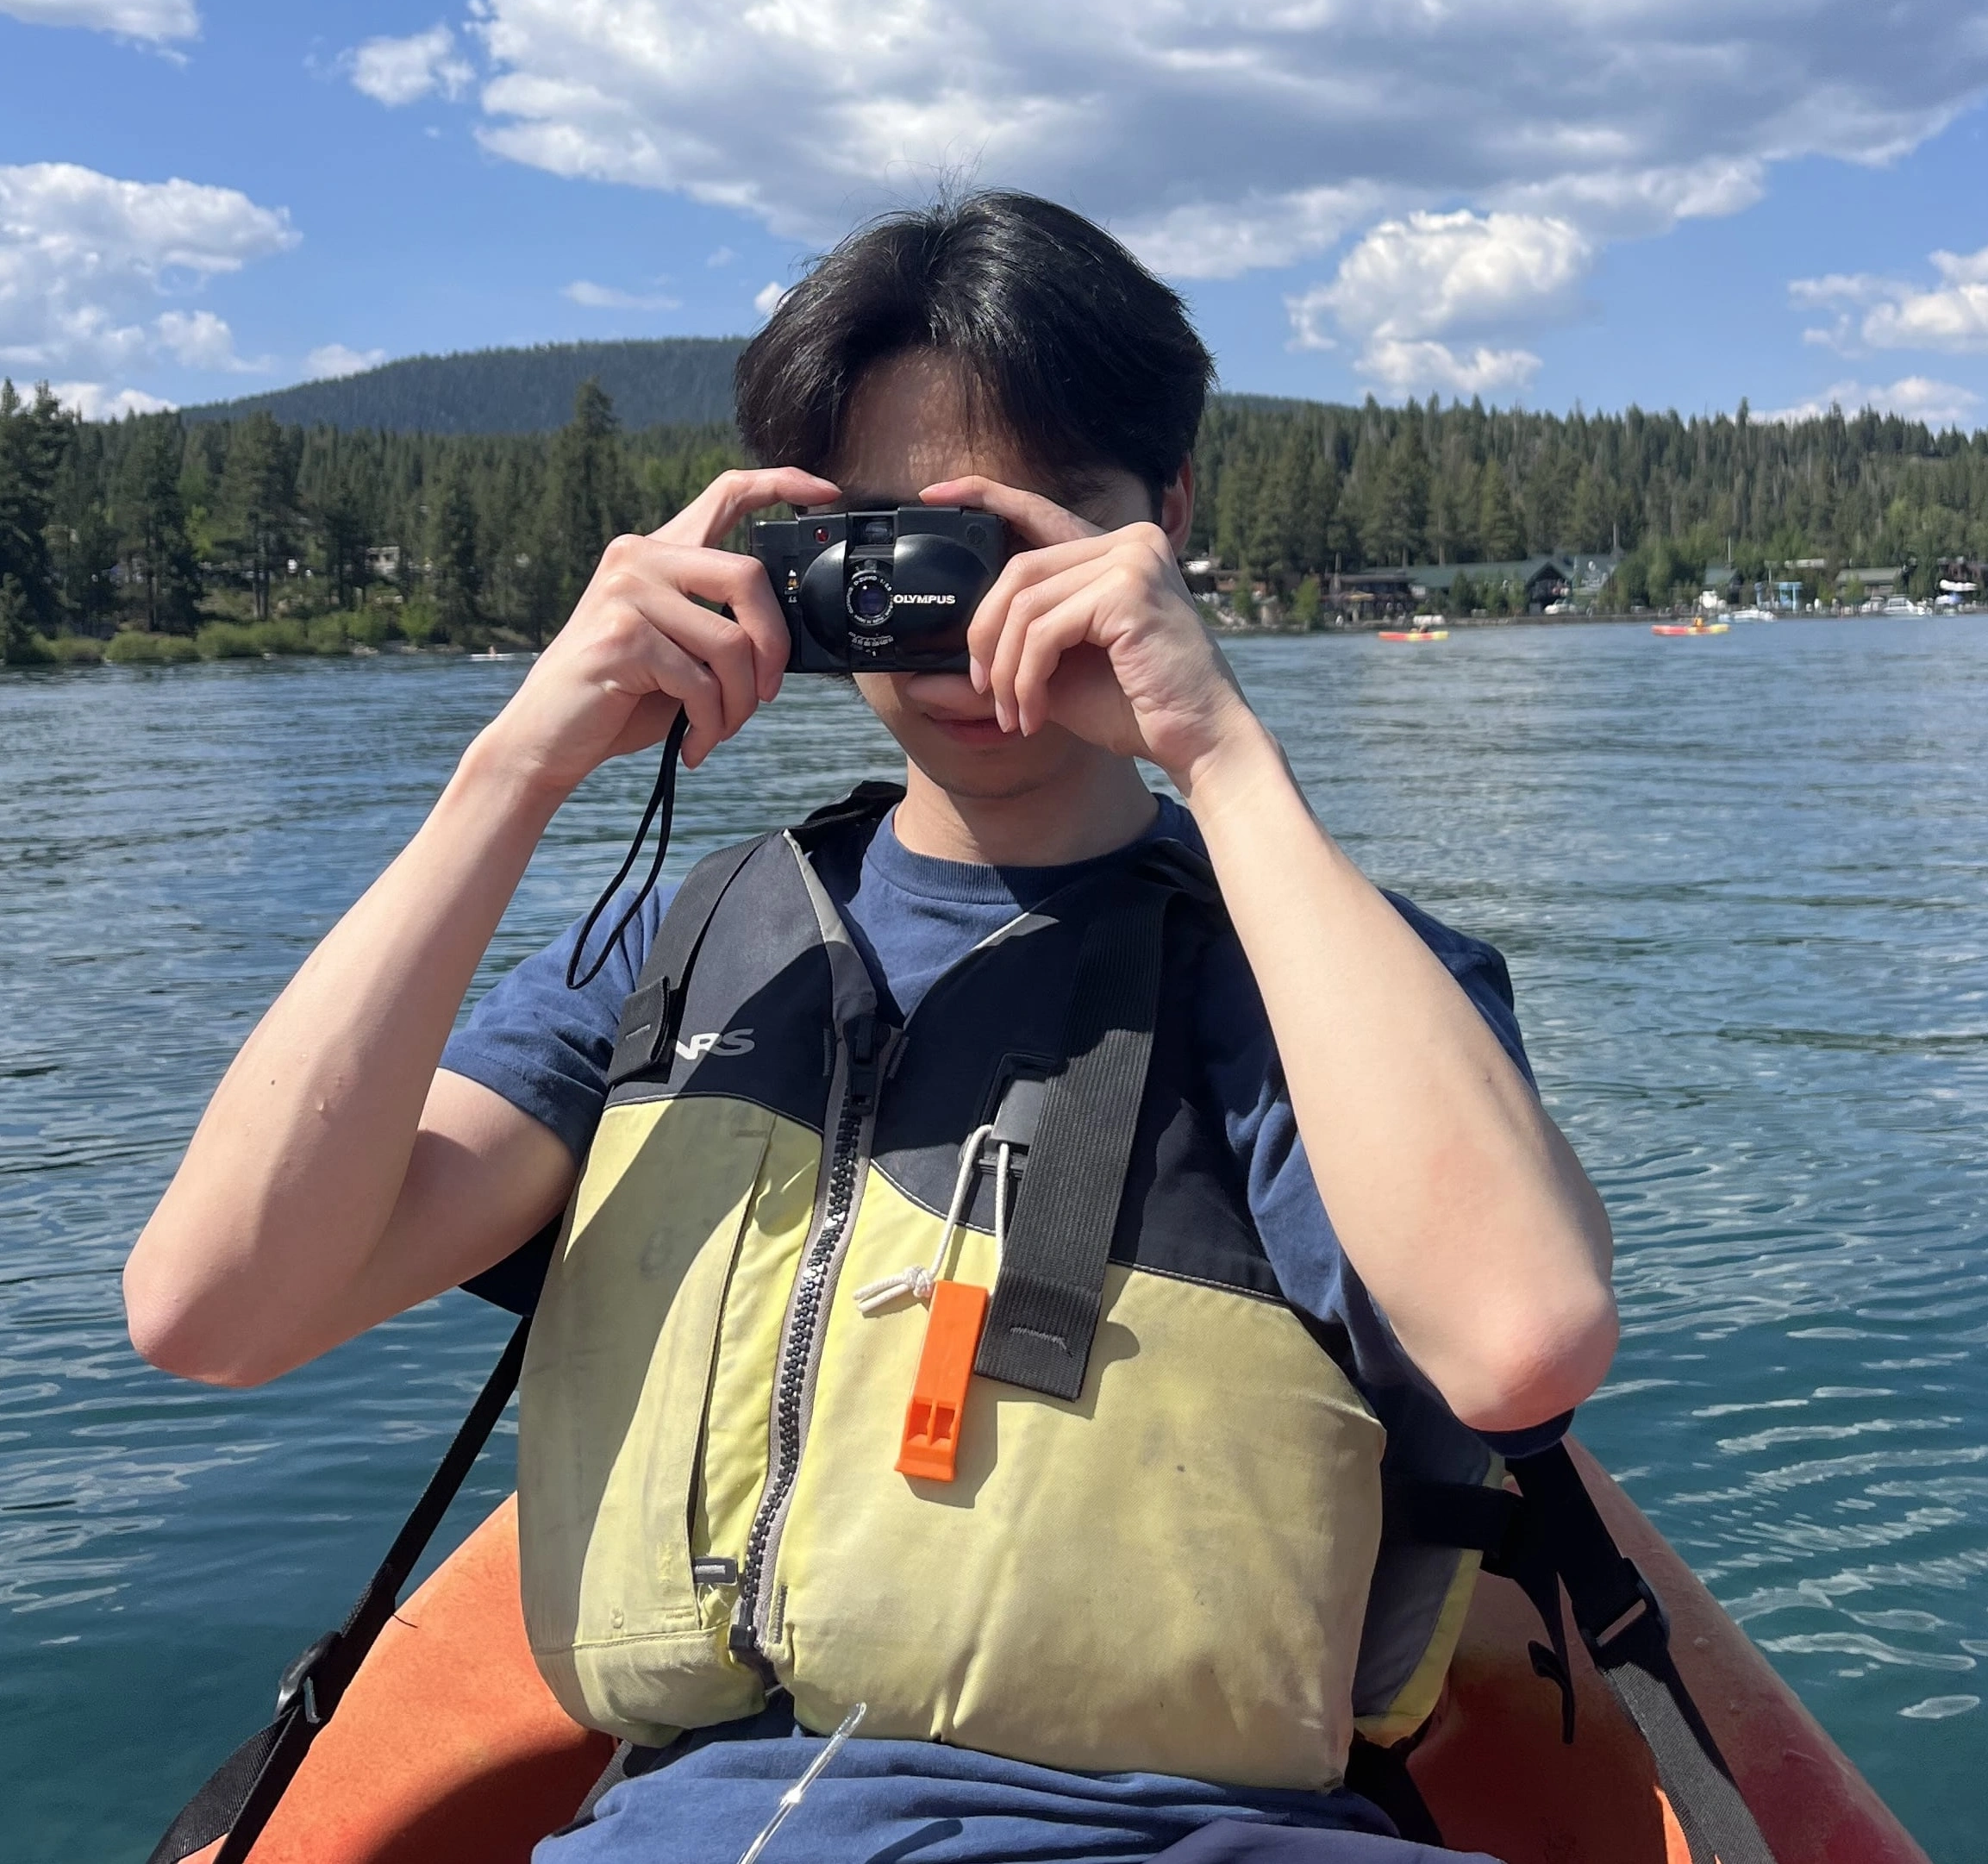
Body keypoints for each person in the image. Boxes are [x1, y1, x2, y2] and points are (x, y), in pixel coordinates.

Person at [126, 191, 1618, 1864]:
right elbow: (214, 1309)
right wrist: (515, 767)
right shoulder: (678, 953)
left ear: (1166, 517)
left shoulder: (1315, 972)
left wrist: (1223, 757)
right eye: (894, 536)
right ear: (792, 558)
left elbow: (1520, 1343)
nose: (964, 604)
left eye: (1028, 522)